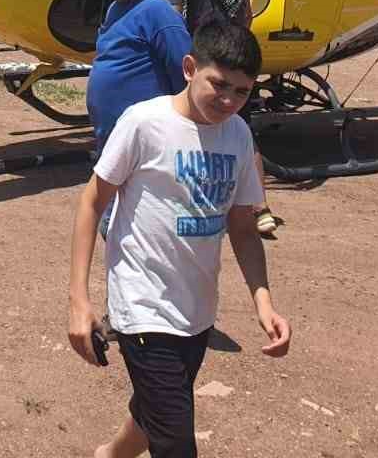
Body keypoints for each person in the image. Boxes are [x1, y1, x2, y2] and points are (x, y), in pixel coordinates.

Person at [68, 23, 292, 458]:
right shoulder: (145, 124)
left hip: (197, 310)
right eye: (219, 85)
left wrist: (263, 302)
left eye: (242, 92)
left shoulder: (238, 136)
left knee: (155, 411)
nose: (229, 101)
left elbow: (243, 228)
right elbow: (92, 202)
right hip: (144, 308)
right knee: (175, 440)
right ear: (190, 68)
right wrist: (79, 301)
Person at [163, 0, 282, 240]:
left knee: (190, 127)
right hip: (235, 49)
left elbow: (174, 16)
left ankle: (195, 203)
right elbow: (247, 13)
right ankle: (261, 210)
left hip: (203, 58)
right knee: (242, 131)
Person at [85, 0, 192, 154]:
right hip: (113, 139)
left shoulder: (158, 11)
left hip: (147, 140)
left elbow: (185, 74)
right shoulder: (115, 9)